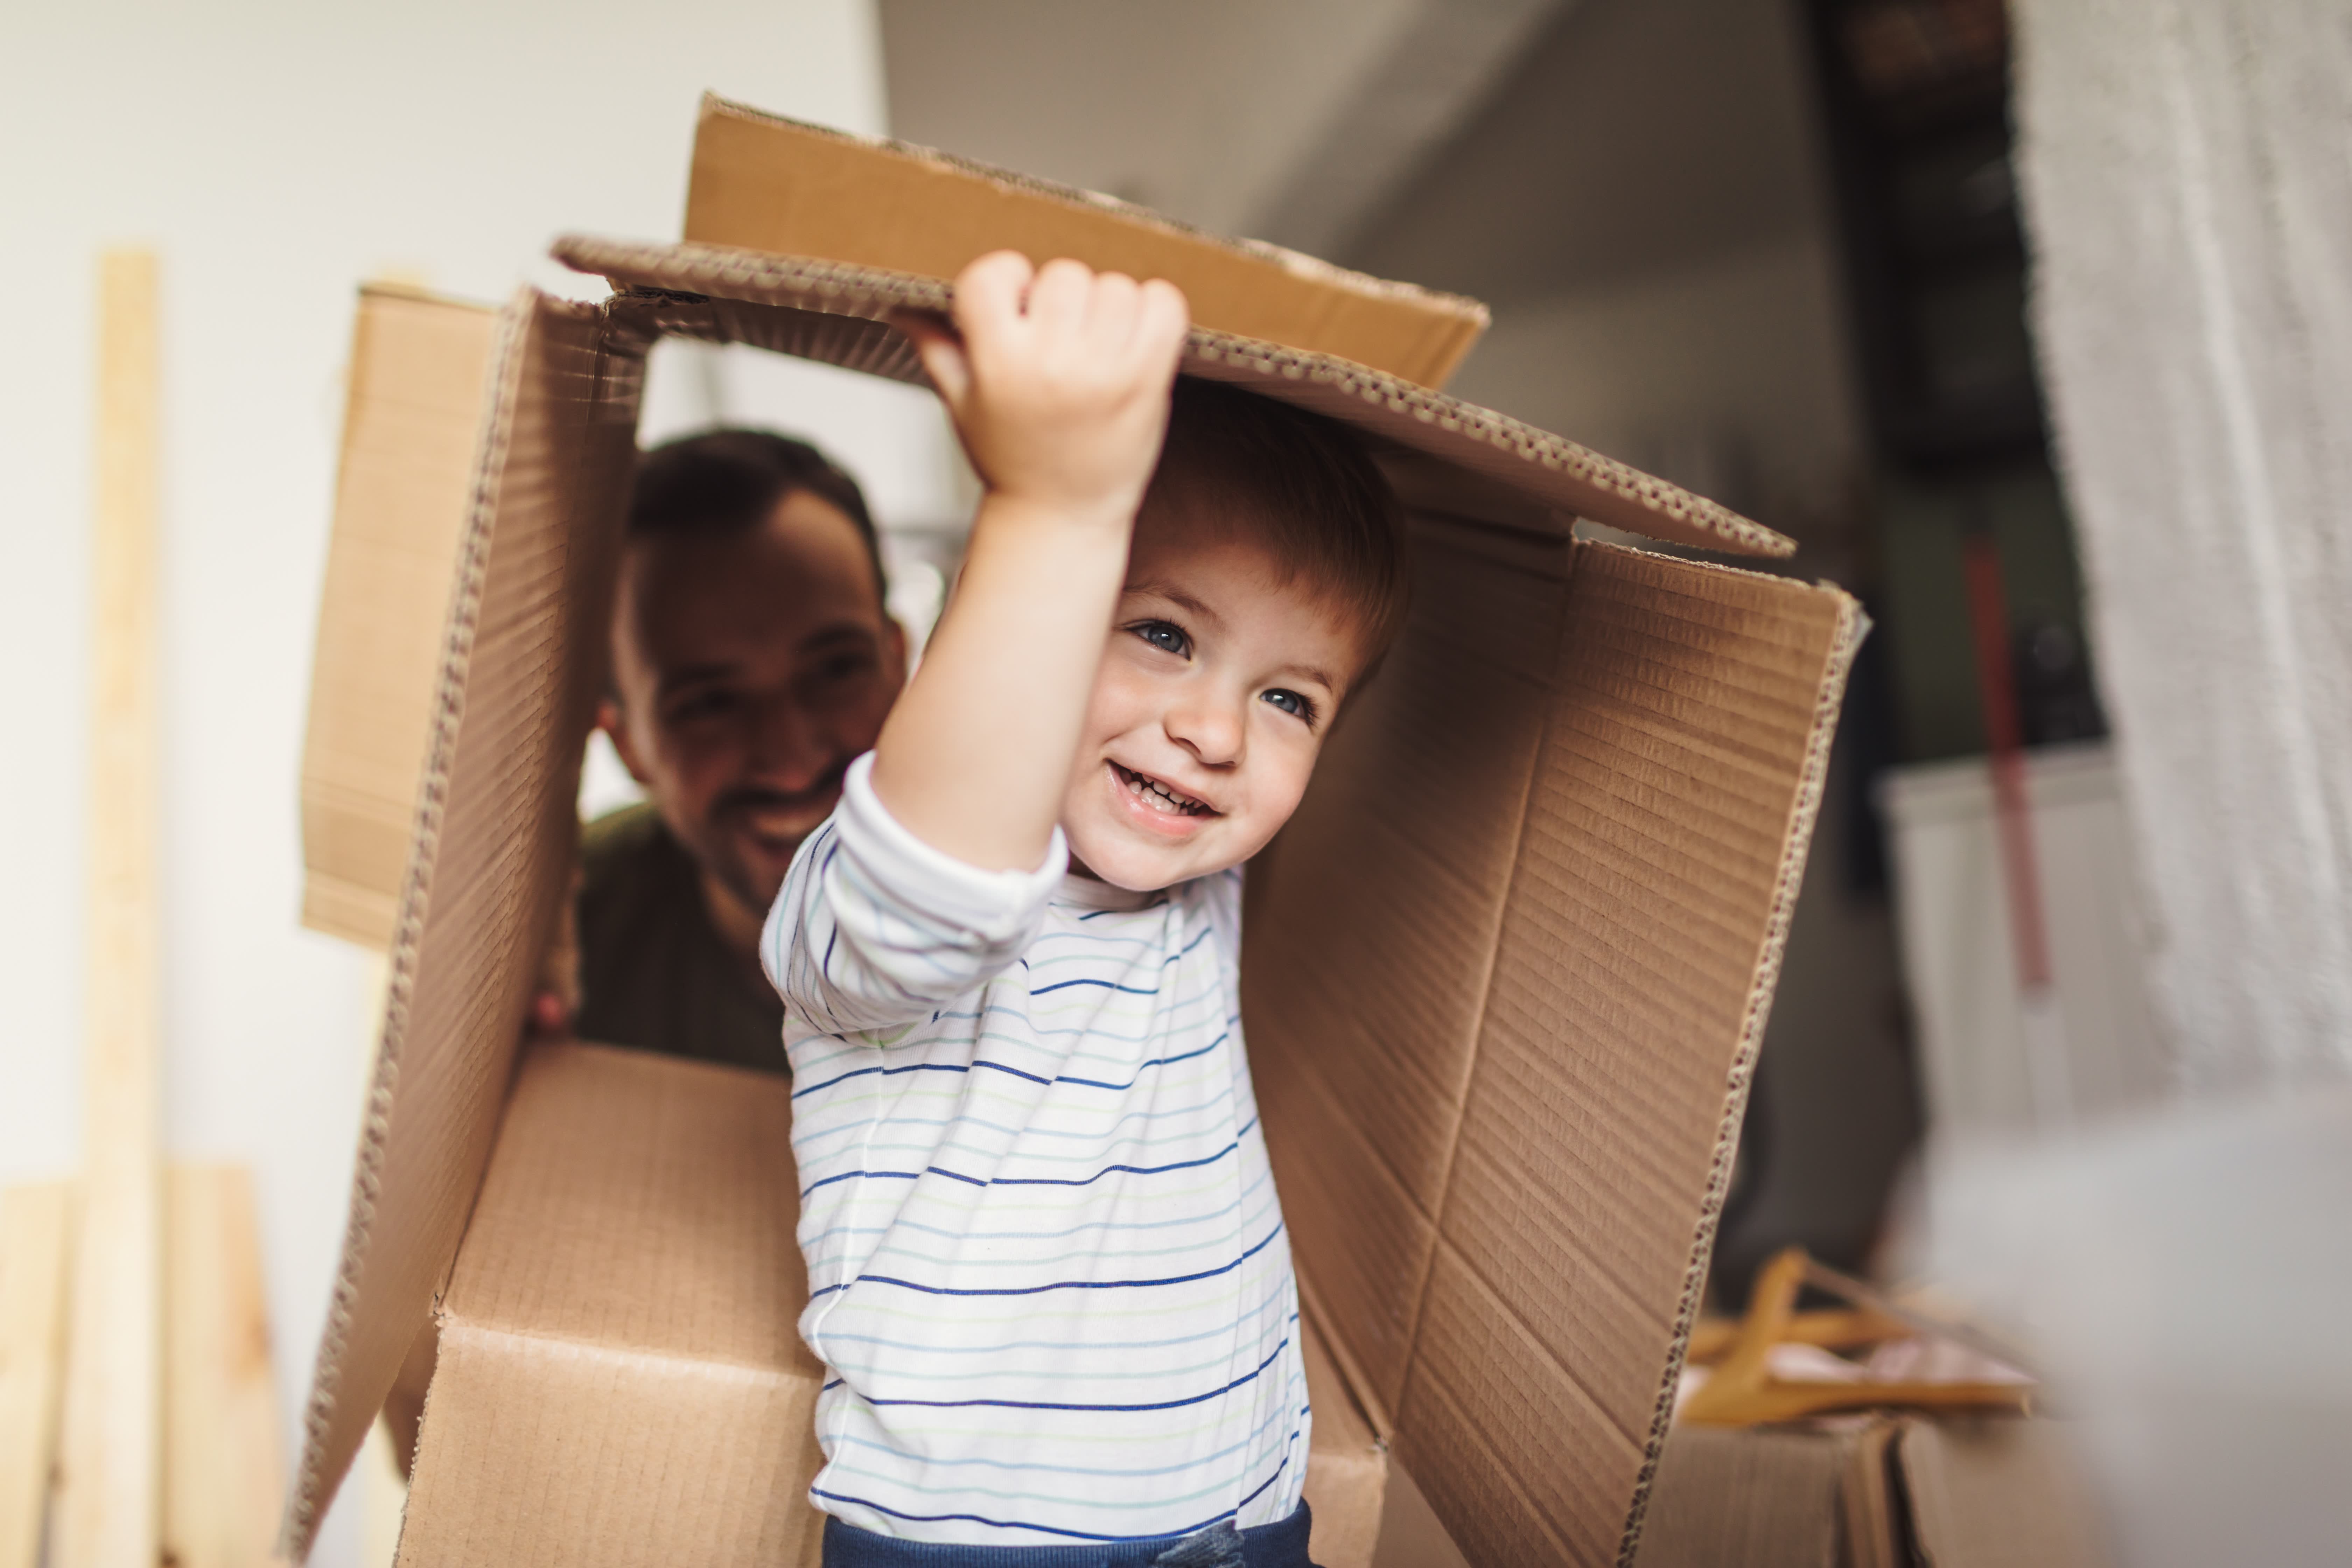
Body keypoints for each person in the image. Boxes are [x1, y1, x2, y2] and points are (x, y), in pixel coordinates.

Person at [764, 253, 1408, 1563]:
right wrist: (1056, 509)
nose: (1217, 728)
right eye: (1165, 633)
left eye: (1292, 699)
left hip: (1250, 1526)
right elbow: (939, 893)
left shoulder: (1195, 878)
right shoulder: (876, 894)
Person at [577, 428, 906, 1074]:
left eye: (836, 669)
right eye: (709, 704)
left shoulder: (1057, 896)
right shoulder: (563, 932)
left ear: (898, 662)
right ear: (628, 745)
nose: (790, 760)